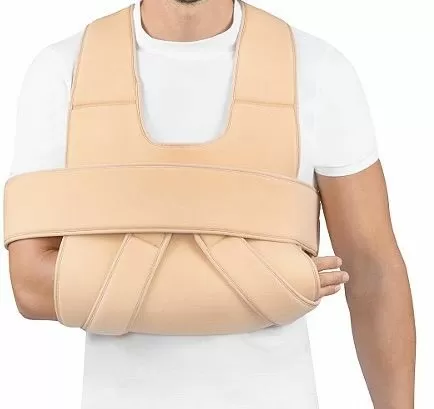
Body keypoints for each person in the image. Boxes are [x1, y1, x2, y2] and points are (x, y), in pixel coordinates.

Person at [6, 0, 415, 408]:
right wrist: (276, 285)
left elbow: (372, 270)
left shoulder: (317, 70)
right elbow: (30, 287)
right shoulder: (63, 71)